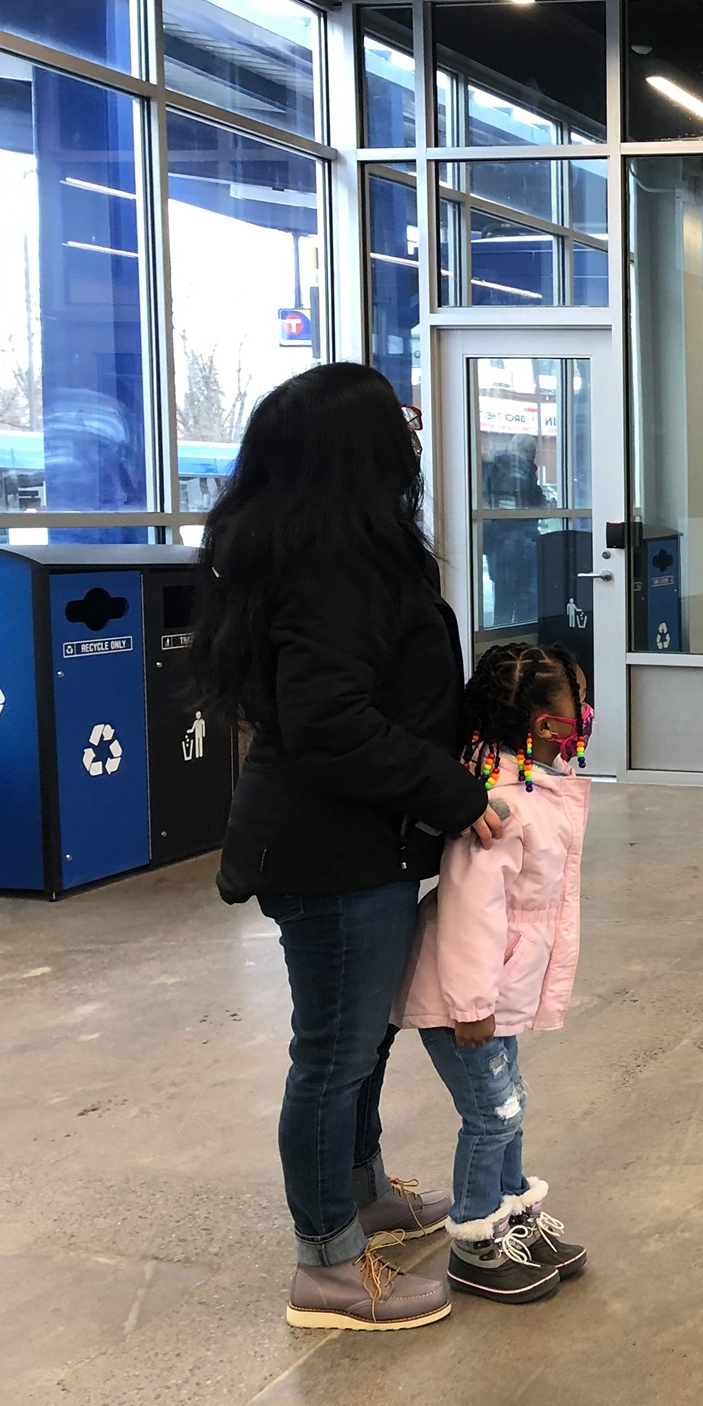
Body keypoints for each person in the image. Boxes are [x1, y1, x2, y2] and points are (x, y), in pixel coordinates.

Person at [194, 363, 503, 1332]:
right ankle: (326, 1262)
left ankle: (362, 1192)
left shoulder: (341, 552)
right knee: (331, 1054)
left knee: (362, 1036)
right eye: (398, 423)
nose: (412, 438)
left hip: (360, 842)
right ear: (357, 450)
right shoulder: (325, 566)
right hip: (327, 852)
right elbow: (328, 723)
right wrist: (453, 793)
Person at [395, 642, 593, 1305]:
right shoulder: (497, 805)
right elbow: (470, 916)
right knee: (492, 1115)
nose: (586, 717)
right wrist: (473, 1005)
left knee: (510, 1107)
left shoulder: (536, 787)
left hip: (495, 995)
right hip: (466, 1002)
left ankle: (509, 1216)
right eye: (579, 707)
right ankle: (476, 1244)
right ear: (544, 725)